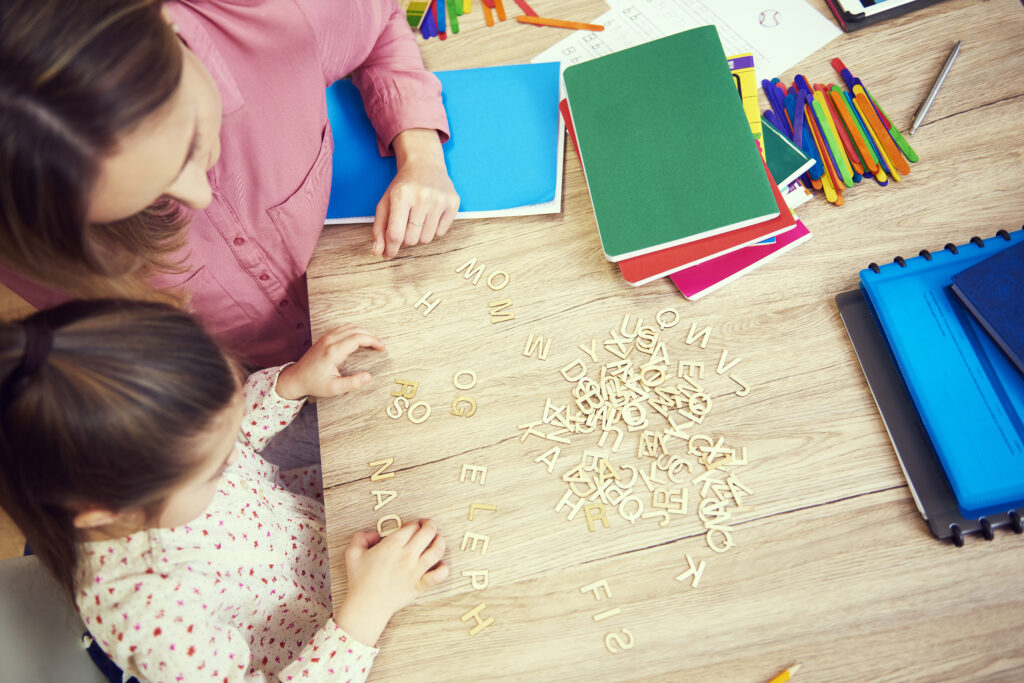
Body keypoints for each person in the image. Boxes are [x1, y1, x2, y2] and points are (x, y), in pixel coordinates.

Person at [0, 298, 449, 682]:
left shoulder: (151, 464)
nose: (236, 461)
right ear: (102, 509)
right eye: (212, 471)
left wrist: (290, 385)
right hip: (336, 647)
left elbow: (227, 441)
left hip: (330, 543)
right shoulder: (152, 618)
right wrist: (365, 610)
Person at [0, 0, 460, 368]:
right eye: (142, 201)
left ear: (164, 28)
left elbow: (381, 21)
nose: (195, 197)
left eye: (192, 142)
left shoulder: (274, 20)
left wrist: (419, 153)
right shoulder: (24, 238)